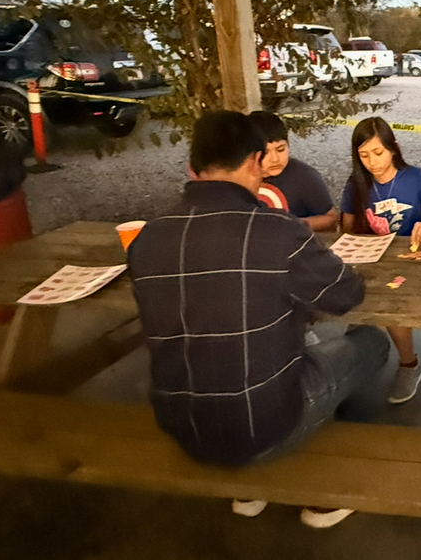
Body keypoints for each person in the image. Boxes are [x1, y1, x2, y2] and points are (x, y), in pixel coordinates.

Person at [128, 110, 389, 529]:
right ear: (253, 161)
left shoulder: (149, 237)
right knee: (372, 342)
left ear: (194, 167)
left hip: (180, 426)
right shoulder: (277, 231)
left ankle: (253, 487)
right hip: (262, 428)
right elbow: (347, 294)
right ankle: (334, 472)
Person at [340, 116, 421, 404]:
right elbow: (346, 230)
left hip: (408, 260)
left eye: (378, 153)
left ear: (394, 148)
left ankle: (409, 364)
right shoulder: (355, 184)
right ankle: (361, 349)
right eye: (363, 155)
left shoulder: (415, 177)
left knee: (392, 307)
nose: (372, 162)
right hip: (371, 261)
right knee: (356, 308)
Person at [247, 110, 339, 232]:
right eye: (266, 152)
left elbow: (331, 218)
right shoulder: (239, 176)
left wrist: (295, 224)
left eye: (280, 150)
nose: (275, 159)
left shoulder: (303, 176)